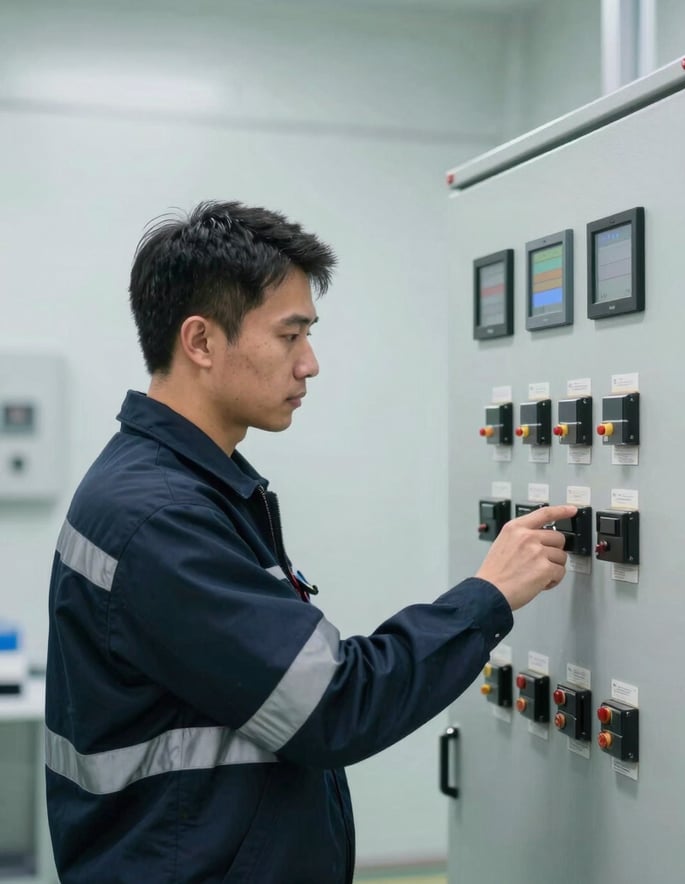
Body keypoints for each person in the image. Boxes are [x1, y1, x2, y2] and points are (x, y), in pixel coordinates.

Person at [45, 200, 575, 884]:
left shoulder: (180, 486)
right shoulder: (160, 518)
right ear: (201, 342)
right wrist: (488, 597)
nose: (311, 364)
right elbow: (333, 706)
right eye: (290, 336)